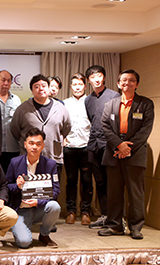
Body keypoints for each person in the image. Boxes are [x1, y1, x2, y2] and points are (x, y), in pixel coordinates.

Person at [98, 69, 154, 240]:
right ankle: (115, 225)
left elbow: (145, 129)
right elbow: (105, 127)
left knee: (136, 193)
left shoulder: (145, 104)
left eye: (131, 80)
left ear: (137, 84)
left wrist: (128, 148)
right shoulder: (111, 104)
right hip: (113, 154)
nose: (127, 83)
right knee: (114, 192)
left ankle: (136, 227)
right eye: (123, 80)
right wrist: (119, 145)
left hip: (135, 155)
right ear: (118, 83)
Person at [6, 128, 61, 248]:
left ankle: (44, 235)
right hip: (20, 209)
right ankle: (22, 227)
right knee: (24, 243)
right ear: (25, 145)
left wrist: (38, 202)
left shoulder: (50, 164)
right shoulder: (15, 162)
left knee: (54, 206)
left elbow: (56, 190)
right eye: (31, 143)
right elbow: (6, 187)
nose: (34, 147)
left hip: (39, 208)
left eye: (38, 144)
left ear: (43, 146)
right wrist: (17, 186)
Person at [10, 74, 71, 178]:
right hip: (29, 159)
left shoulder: (60, 108)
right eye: (36, 86)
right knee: (29, 191)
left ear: (48, 88)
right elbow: (15, 129)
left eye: (43, 85)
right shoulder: (23, 109)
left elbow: (66, 128)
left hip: (53, 156)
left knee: (52, 190)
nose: (40, 89)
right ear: (32, 91)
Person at [84, 65, 120, 229]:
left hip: (109, 145)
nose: (96, 79)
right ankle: (105, 215)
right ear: (89, 80)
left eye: (99, 75)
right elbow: (92, 121)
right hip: (93, 144)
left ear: (104, 77)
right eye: (93, 76)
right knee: (99, 181)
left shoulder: (114, 96)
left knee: (112, 181)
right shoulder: (88, 99)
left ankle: (116, 217)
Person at [63, 73, 92, 225]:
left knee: (87, 181)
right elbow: (60, 123)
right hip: (70, 148)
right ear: (71, 87)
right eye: (74, 84)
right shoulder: (65, 103)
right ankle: (71, 211)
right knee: (71, 180)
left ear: (85, 86)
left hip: (86, 147)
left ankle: (86, 212)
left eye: (80, 84)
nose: (77, 87)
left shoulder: (90, 101)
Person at [0, 70, 21, 173]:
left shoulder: (16, 100)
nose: (6, 83)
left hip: (13, 147)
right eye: (3, 80)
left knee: (11, 178)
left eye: (9, 81)